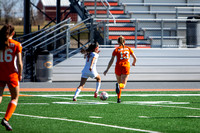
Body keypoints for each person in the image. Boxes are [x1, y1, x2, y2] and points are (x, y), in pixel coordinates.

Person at [0, 24, 23, 131]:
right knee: (14, 97)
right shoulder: (17, 45)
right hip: (11, 75)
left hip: (0, 73)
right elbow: (19, 63)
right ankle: (6, 118)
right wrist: (20, 74)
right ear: (13, 33)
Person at [103, 36, 137, 103]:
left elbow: (111, 60)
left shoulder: (116, 49)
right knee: (122, 85)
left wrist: (107, 69)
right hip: (126, 67)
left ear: (118, 42)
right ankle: (118, 92)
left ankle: (119, 99)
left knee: (119, 83)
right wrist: (133, 63)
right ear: (124, 42)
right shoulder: (128, 48)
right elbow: (135, 58)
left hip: (118, 67)